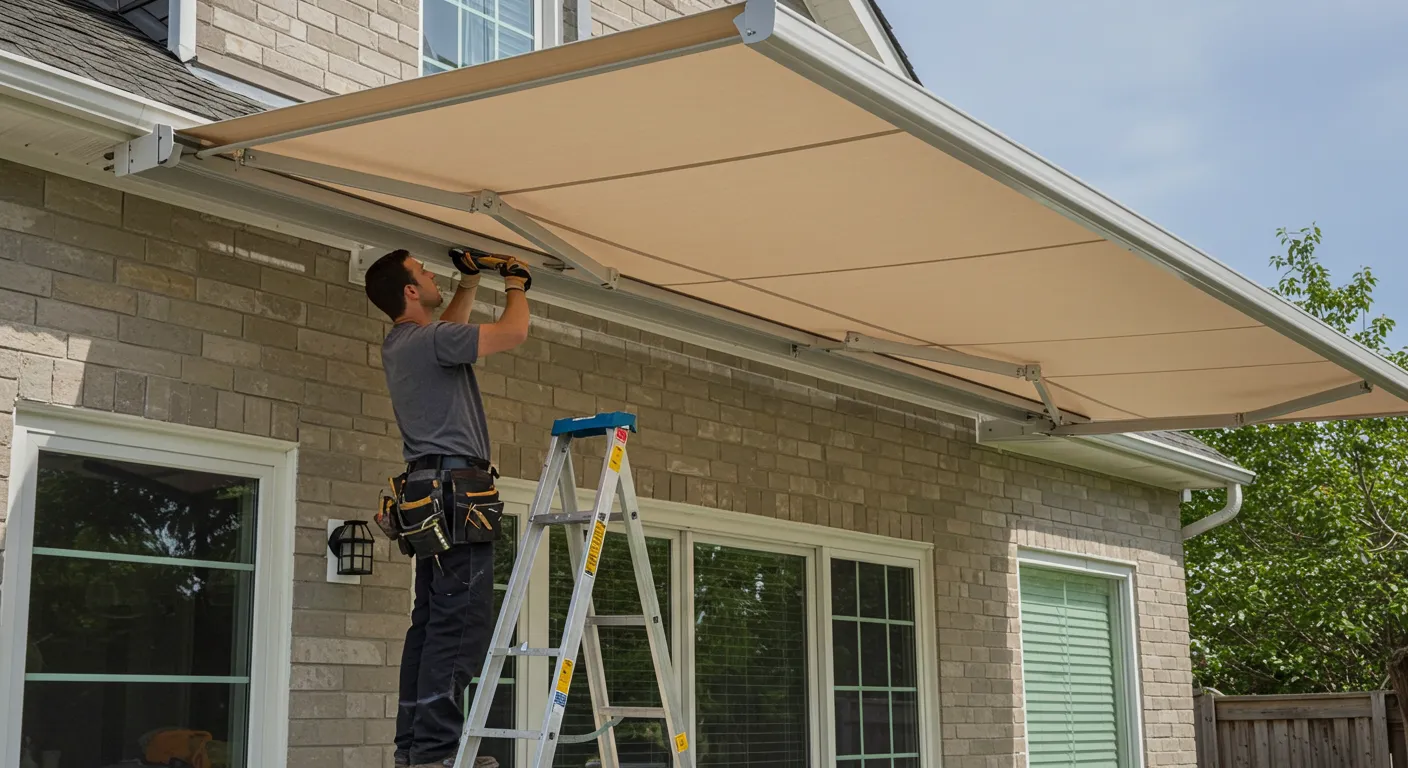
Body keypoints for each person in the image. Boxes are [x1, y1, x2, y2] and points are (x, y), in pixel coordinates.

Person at [363, 247, 532, 768]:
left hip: (430, 492)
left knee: (432, 623)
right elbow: (513, 332)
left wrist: (467, 282)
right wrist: (517, 285)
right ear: (411, 291)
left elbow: (452, 331)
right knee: (458, 625)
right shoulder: (430, 341)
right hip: (455, 492)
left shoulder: (407, 343)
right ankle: (436, 754)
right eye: (424, 272)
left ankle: (416, 750)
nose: (431, 275)